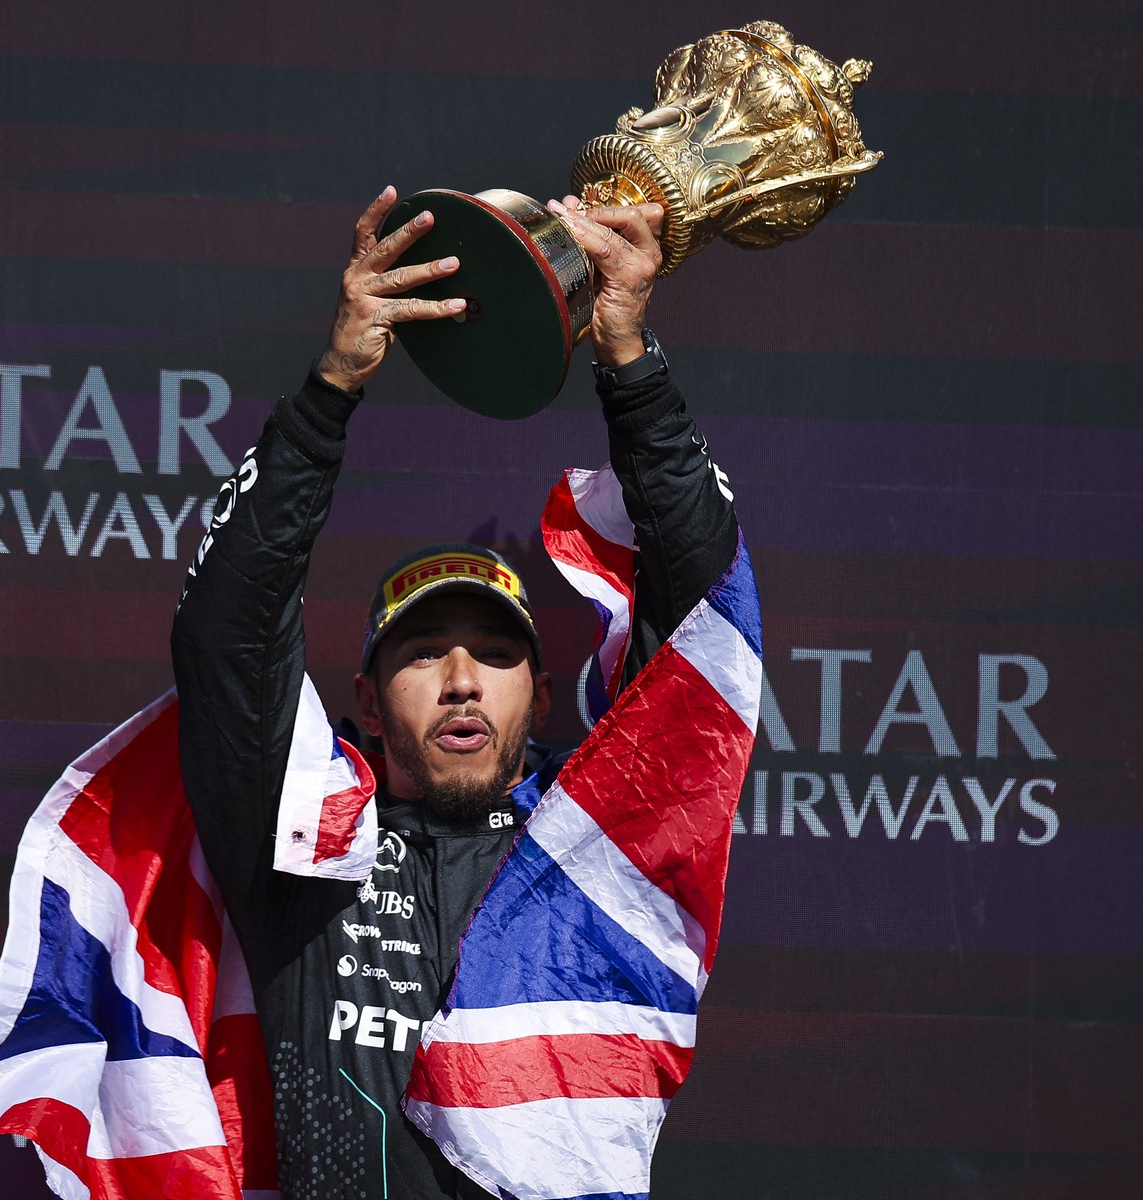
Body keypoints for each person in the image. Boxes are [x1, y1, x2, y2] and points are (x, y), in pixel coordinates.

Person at [170, 185, 741, 1200]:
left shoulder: (597, 854)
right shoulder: (303, 846)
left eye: (495, 653)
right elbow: (226, 633)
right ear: (366, 694)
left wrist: (629, 359)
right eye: (425, 652)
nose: (464, 678)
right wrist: (334, 384)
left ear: (545, 693)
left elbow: (701, 630)